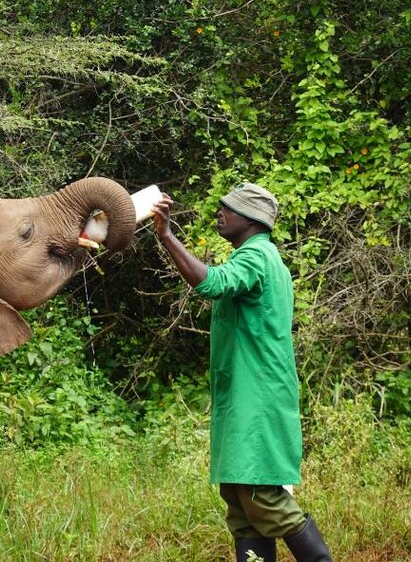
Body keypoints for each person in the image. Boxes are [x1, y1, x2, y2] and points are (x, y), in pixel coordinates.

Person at [151, 183, 332, 562]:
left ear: (250, 219)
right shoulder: (258, 257)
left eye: (228, 209)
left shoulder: (257, 257)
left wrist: (167, 236)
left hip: (259, 399)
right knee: (240, 502)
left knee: (260, 496)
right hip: (244, 398)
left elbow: (212, 283)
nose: (220, 213)